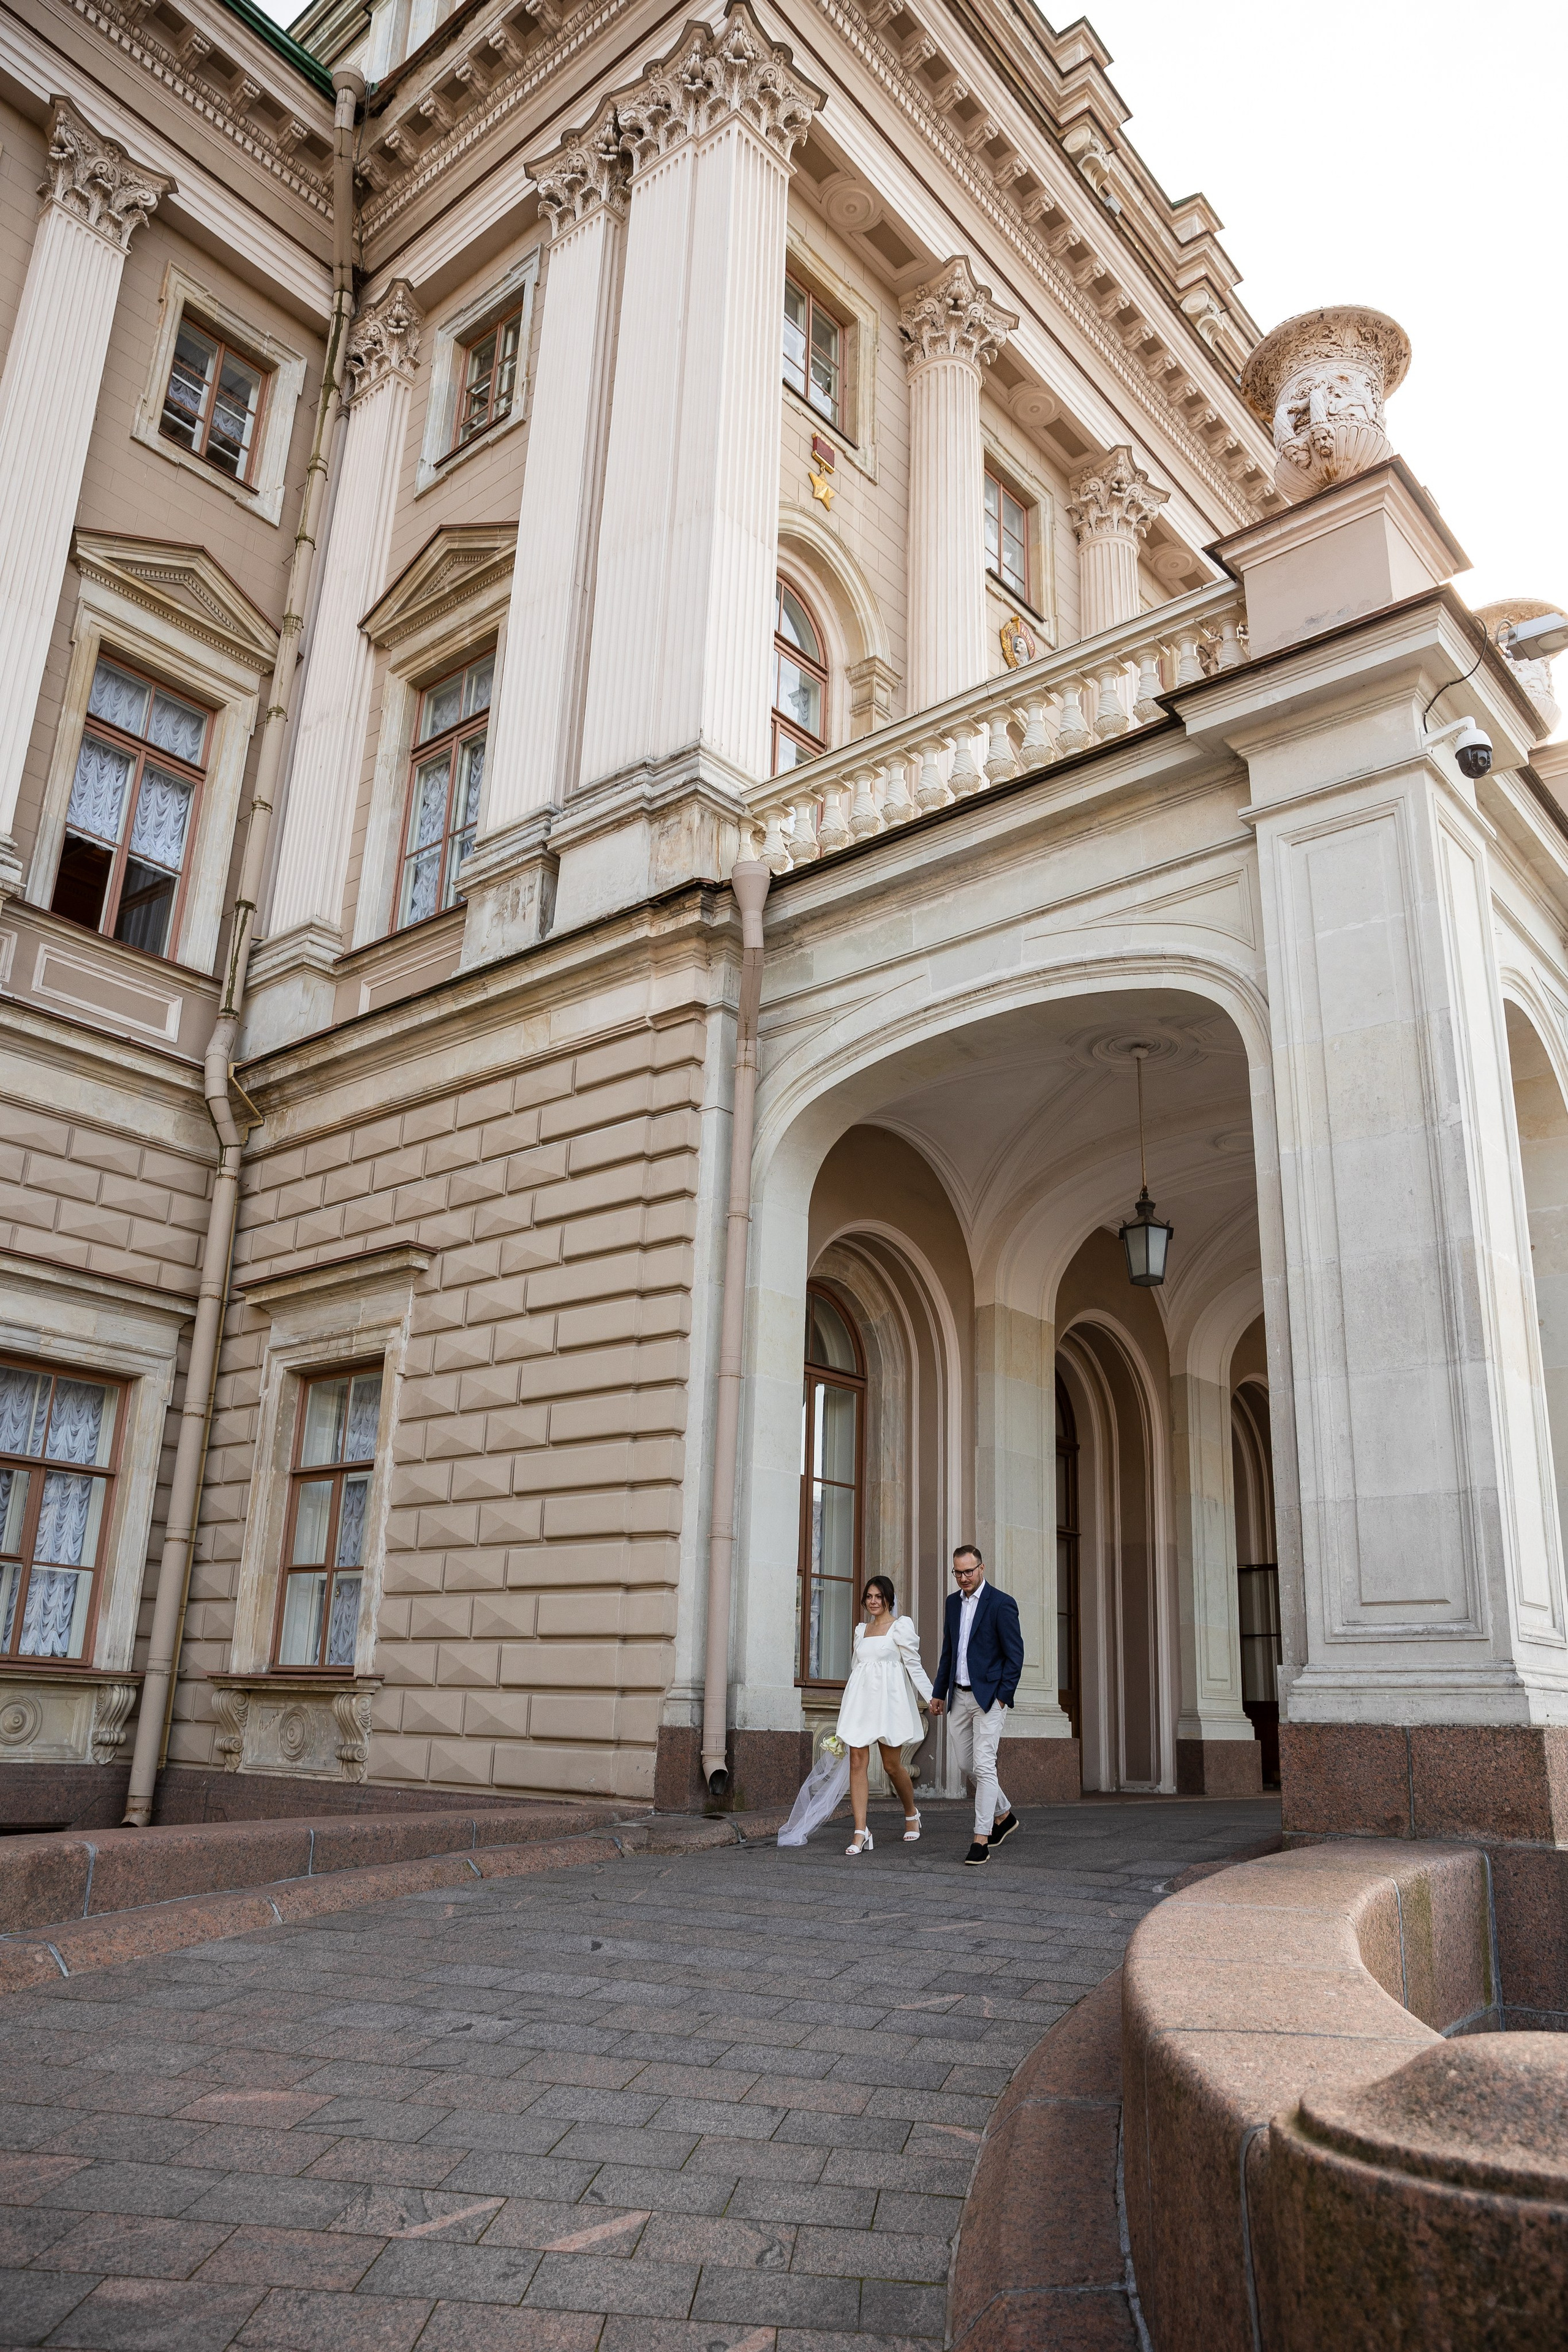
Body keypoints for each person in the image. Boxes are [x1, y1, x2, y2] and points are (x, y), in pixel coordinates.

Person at [777, 1574, 931, 1853]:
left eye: (879, 1597)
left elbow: (914, 1666)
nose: (873, 1602)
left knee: (892, 1766)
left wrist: (932, 1696)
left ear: (888, 1600)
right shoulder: (861, 1631)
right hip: (861, 1702)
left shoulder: (900, 1628)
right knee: (857, 1762)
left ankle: (912, 1814)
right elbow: (856, 1669)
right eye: (869, 1597)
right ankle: (861, 1831)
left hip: (888, 1705)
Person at [929, 1543, 1023, 1866]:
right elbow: (949, 1651)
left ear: (982, 1568)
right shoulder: (952, 1603)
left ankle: (981, 1838)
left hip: (989, 1698)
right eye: (958, 1572)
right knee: (967, 1765)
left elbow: (1015, 1656)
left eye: (969, 1571)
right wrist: (939, 1692)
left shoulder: (1001, 1604)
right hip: (958, 1695)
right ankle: (1005, 1815)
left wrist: (1002, 1696)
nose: (964, 1577)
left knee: (984, 1766)